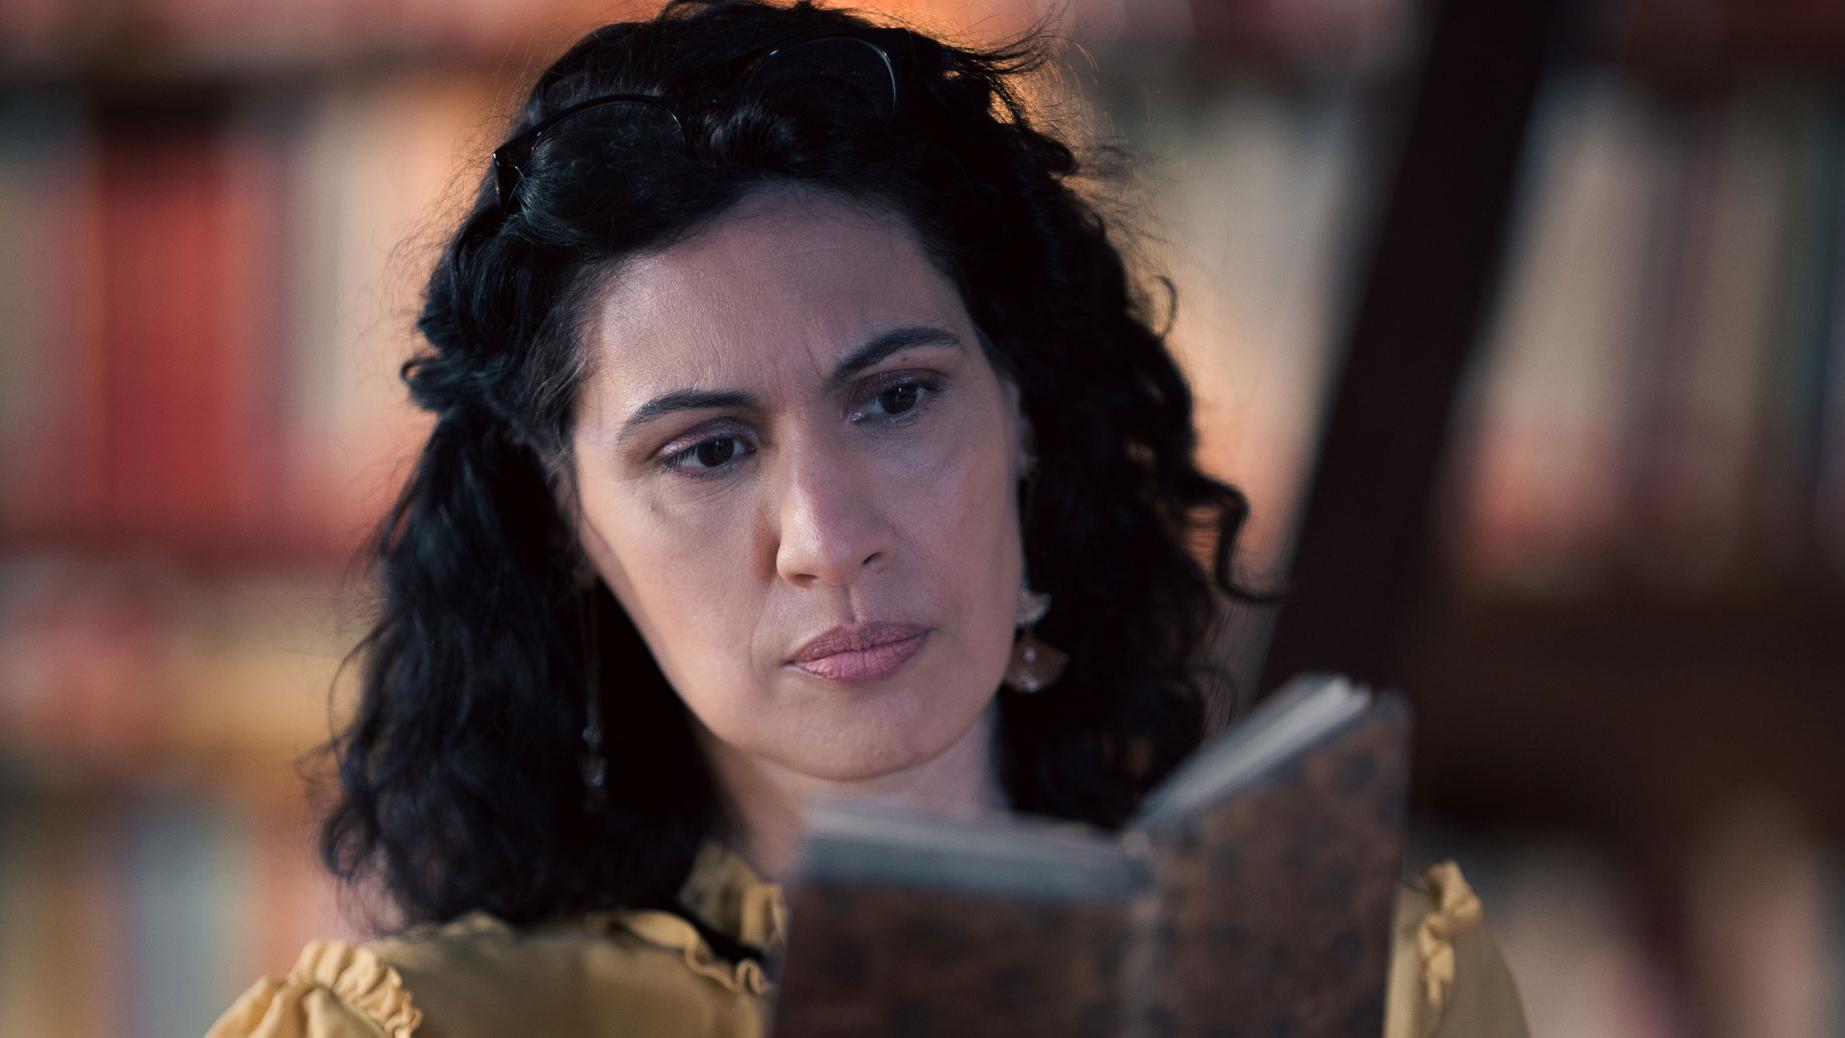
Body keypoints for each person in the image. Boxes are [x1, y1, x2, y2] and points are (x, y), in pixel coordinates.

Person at [208, 1, 1528, 1034]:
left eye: (894, 400)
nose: (829, 536)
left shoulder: (1366, 989)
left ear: (1019, 410)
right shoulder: (413, 1032)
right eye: (708, 449)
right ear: (566, 521)